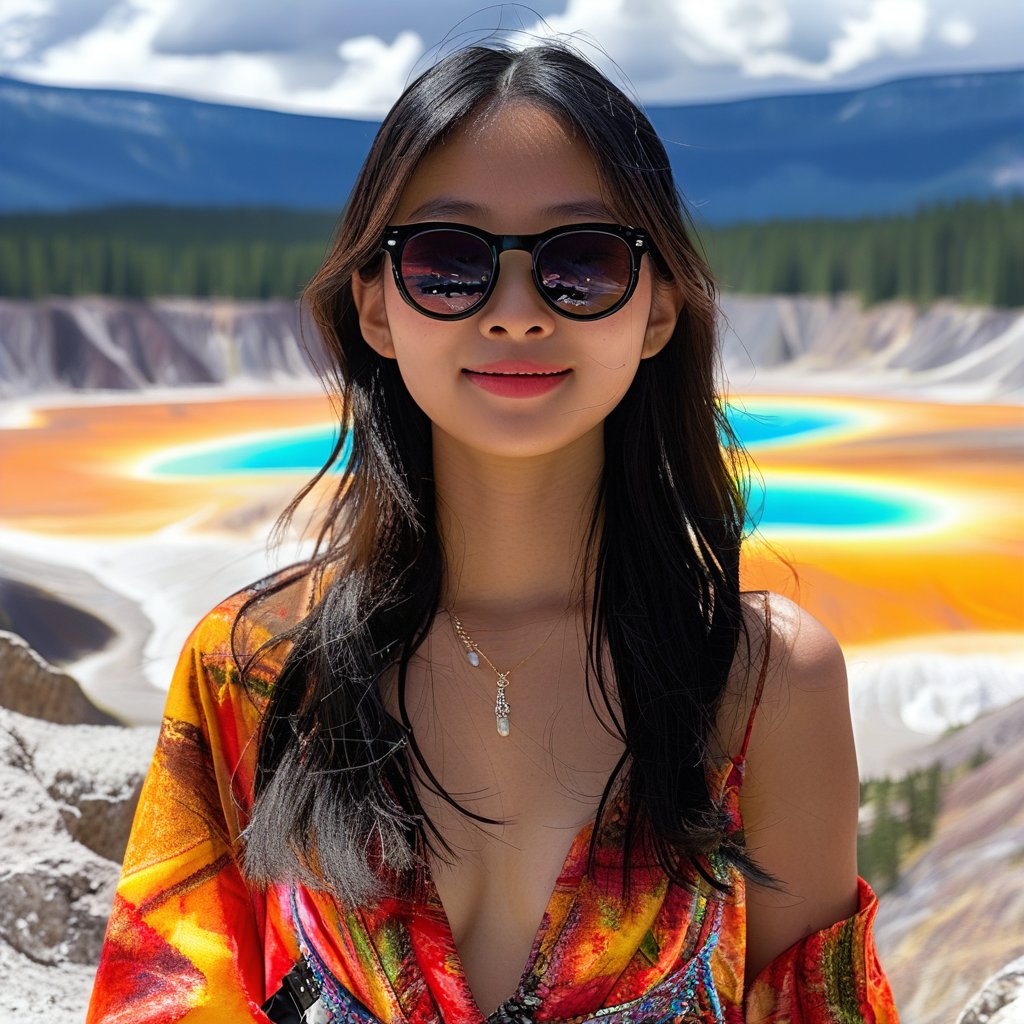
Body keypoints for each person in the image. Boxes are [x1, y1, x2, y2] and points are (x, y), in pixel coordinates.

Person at [86, 42, 898, 1024]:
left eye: (582, 261)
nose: (515, 313)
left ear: (656, 312)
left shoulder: (765, 682)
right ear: (377, 306)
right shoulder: (253, 669)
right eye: (447, 261)